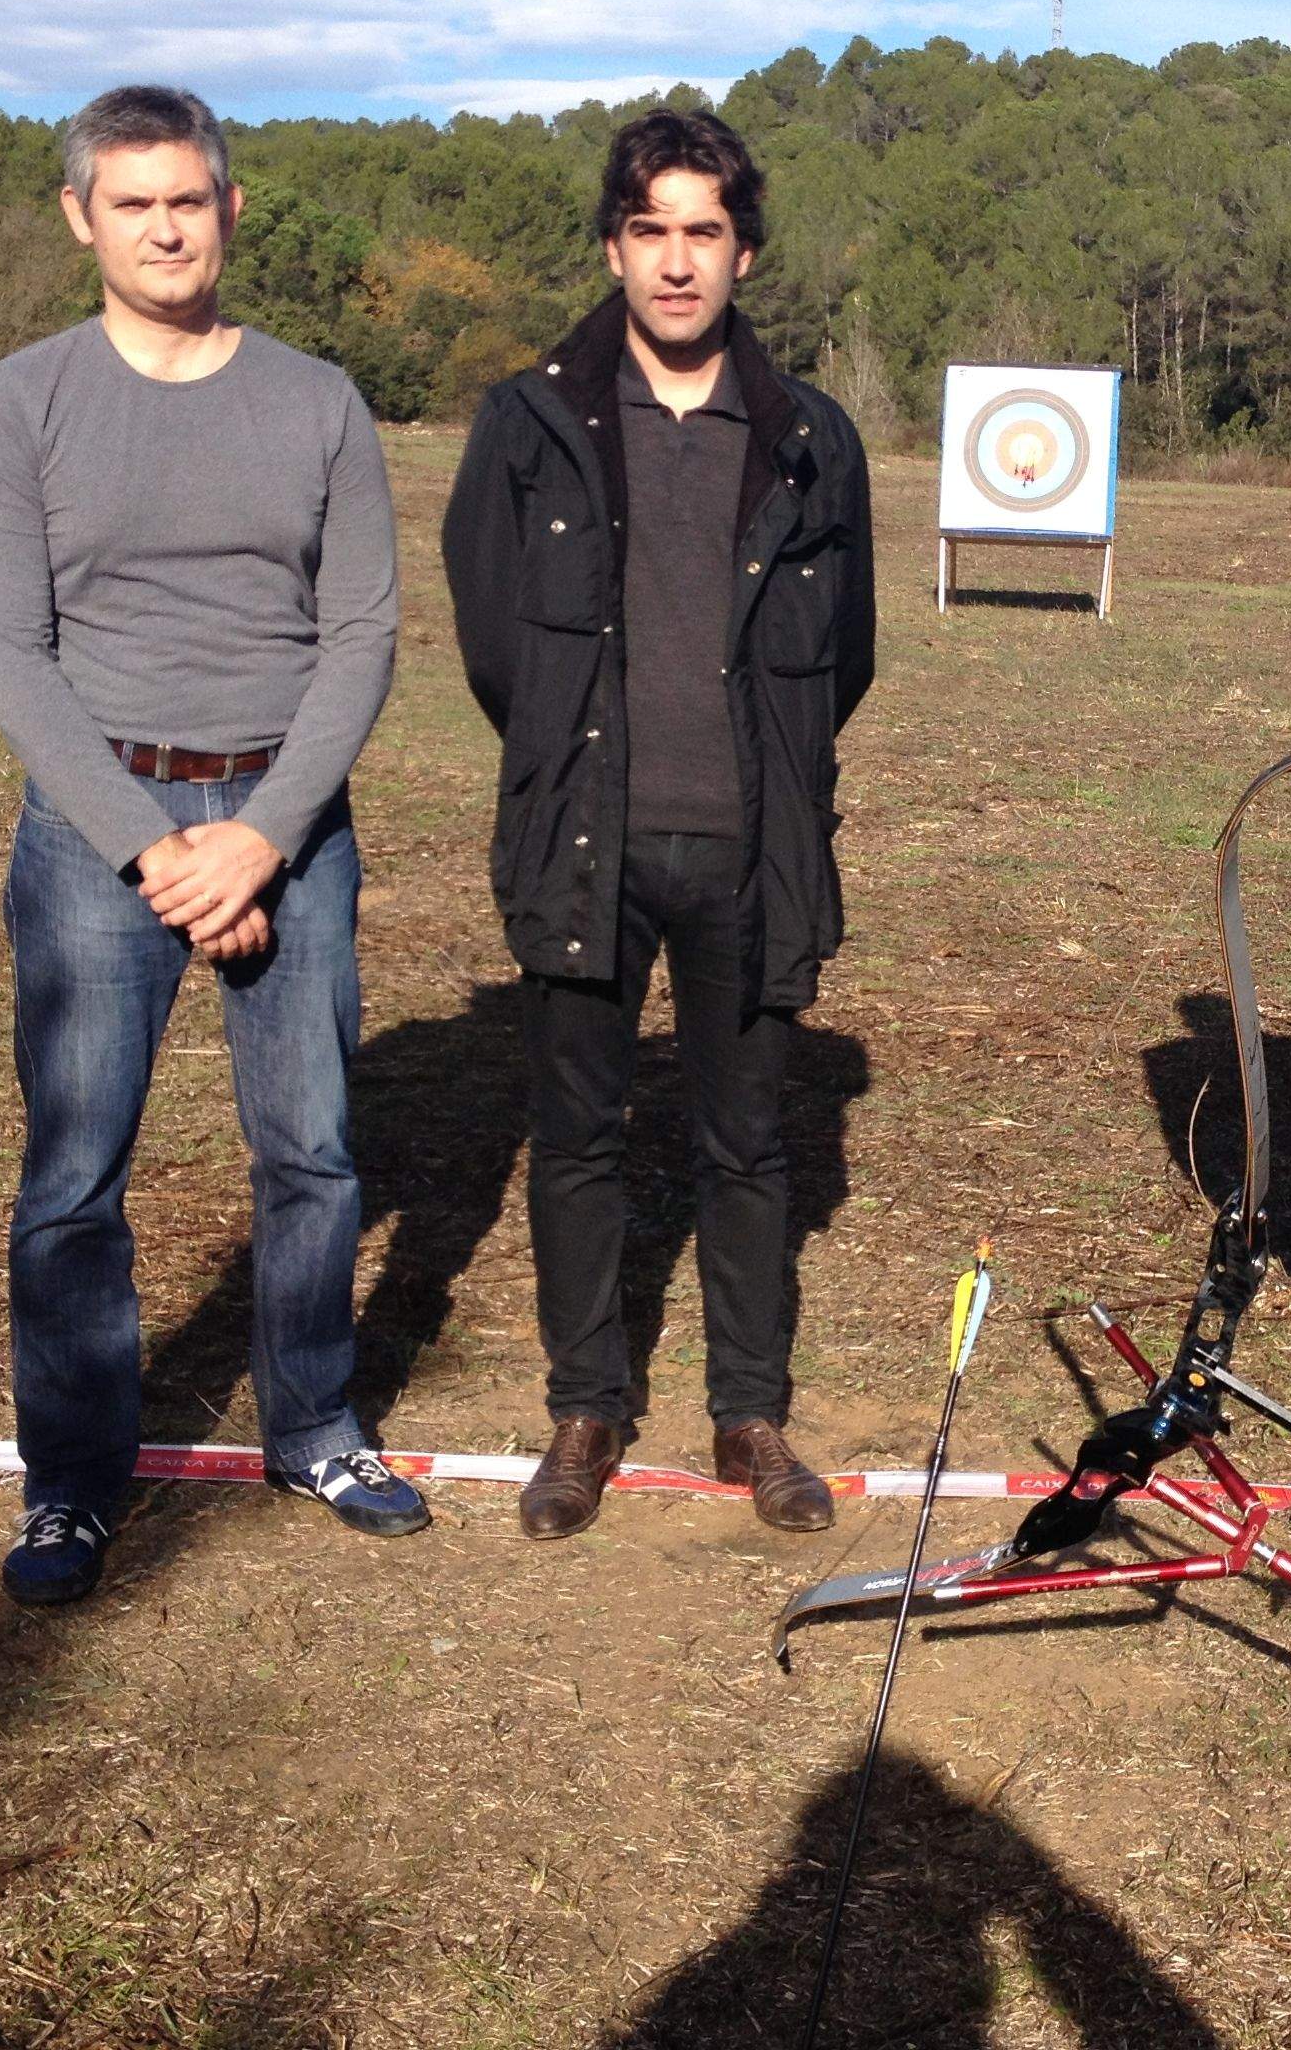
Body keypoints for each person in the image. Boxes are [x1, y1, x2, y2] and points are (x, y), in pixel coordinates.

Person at [0, 84, 427, 1607]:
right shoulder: (20, 403)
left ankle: (316, 1425)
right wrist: (158, 851)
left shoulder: (317, 400)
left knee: (312, 1155)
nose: (166, 226)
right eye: (133, 201)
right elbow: (10, 657)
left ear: (229, 207)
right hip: (102, 836)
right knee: (74, 1176)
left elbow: (359, 635)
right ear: (80, 215)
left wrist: (263, 838)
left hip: (290, 824)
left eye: (191, 198)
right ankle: (75, 1481)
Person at [442, 109, 875, 1541]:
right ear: (611, 245)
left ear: (742, 250)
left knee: (747, 1145)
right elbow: (496, 643)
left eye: (703, 231)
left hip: (752, 850)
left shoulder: (814, 438)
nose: (676, 262)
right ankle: (585, 1411)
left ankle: (749, 1410)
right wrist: (584, 768)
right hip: (584, 839)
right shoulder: (528, 423)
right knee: (573, 1134)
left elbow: (845, 658)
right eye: (649, 230)